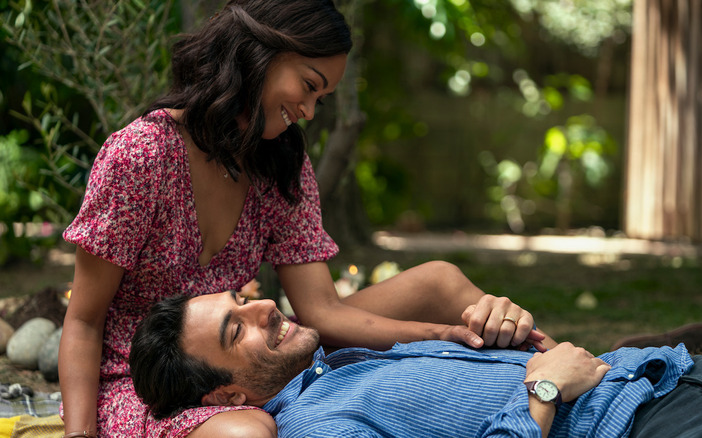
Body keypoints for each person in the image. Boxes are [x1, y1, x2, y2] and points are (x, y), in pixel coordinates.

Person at [58, 1, 549, 437]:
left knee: (440, 281)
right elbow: (82, 321)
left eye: (322, 98)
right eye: (309, 87)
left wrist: (439, 331)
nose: (310, 111)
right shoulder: (140, 156)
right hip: (146, 384)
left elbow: (321, 312)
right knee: (247, 432)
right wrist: (81, 435)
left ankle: (574, 366)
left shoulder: (279, 162)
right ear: (259, 53)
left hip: (250, 354)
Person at [129, 292, 702, 438]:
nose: (264, 304)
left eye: (244, 298)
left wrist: (497, 326)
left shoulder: (340, 361)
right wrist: (548, 385)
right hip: (638, 428)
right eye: (235, 326)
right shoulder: (316, 427)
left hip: (660, 371)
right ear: (230, 393)